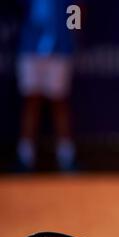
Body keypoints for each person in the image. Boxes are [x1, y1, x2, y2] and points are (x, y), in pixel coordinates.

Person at [16, 0, 76, 171]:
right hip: (30, 46)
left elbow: (77, 7)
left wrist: (71, 33)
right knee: (31, 99)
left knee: (60, 101)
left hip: (61, 47)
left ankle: (66, 157)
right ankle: (25, 157)